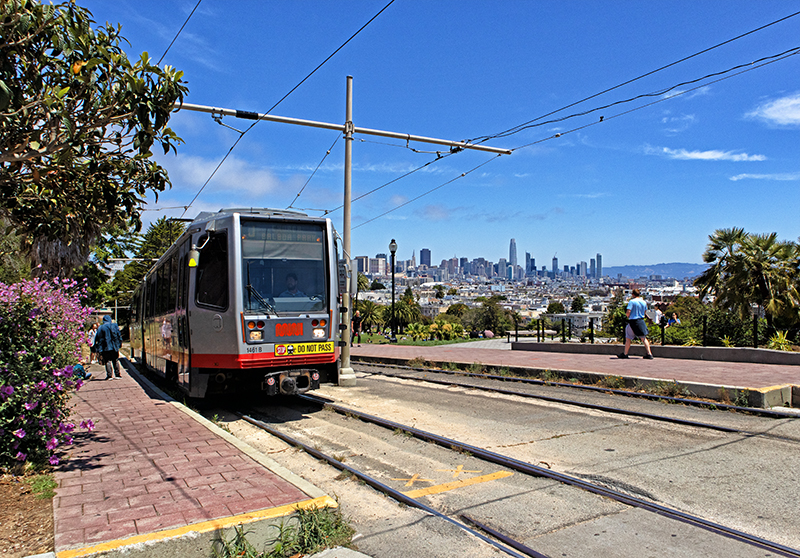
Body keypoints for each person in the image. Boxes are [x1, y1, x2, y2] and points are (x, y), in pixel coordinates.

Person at [619, 289, 654, 359]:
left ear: (633, 294)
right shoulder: (644, 302)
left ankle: (625, 353)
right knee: (643, 338)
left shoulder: (632, 302)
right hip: (641, 321)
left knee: (628, 338)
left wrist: (628, 316)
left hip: (633, 321)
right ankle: (649, 353)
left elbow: (628, 311)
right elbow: (645, 312)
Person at [94, 315, 123, 379]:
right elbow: (119, 335)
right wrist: (119, 344)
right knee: (115, 360)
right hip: (114, 346)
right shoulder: (114, 325)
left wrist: (97, 348)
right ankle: (118, 375)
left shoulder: (101, 327)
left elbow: (97, 338)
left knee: (107, 360)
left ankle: (109, 375)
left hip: (105, 347)